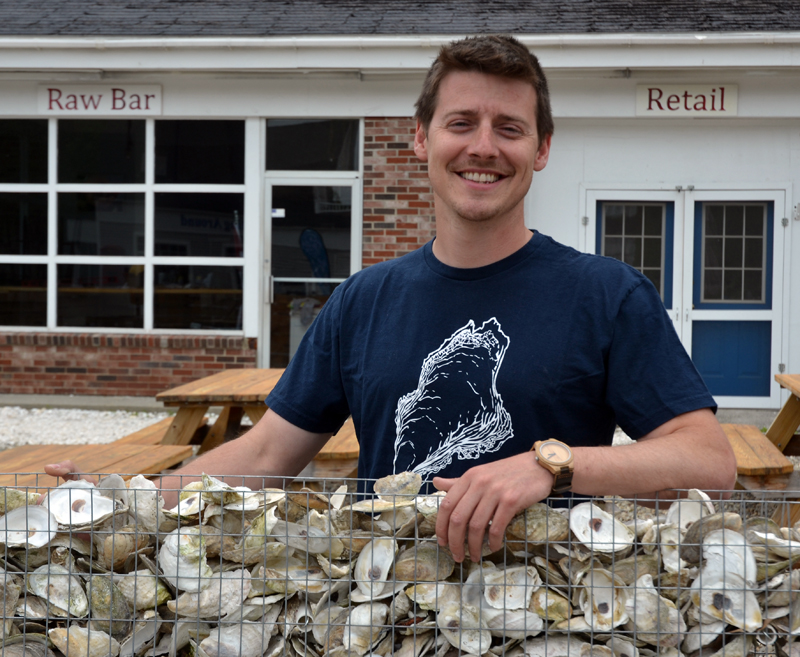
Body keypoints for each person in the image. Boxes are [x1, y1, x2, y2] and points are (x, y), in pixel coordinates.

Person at [46, 35, 737, 563]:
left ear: (543, 148)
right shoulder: (361, 300)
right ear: (421, 138)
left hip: (554, 604)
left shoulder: (606, 293)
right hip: (389, 606)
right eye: (461, 122)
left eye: (510, 127)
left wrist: (550, 464)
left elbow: (709, 461)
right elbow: (267, 454)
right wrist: (121, 503)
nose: (483, 146)